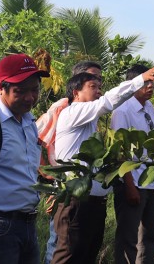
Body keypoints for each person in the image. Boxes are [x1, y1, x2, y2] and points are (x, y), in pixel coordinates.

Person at [51, 61, 154, 264]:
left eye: (99, 86)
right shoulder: (72, 112)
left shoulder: (90, 122)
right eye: (93, 87)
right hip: (77, 202)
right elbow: (108, 102)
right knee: (68, 256)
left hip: (93, 202)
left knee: (87, 255)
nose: (98, 91)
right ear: (76, 92)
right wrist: (141, 79)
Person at [0, 53, 49, 264]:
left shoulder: (28, 120)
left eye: (34, 90)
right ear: (1, 88)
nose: (30, 97)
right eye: (20, 91)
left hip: (27, 223)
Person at [36, 61, 102, 264]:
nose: (98, 85)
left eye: (99, 80)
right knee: (59, 245)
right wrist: (53, 177)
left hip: (84, 191)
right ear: (77, 85)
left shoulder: (89, 111)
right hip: (66, 189)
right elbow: (40, 138)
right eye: (92, 80)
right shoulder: (64, 107)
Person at [111, 64, 154, 264]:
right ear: (134, 83)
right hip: (134, 183)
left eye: (152, 82)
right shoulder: (123, 110)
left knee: (149, 237)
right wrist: (130, 186)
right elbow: (120, 151)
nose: (150, 86)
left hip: (152, 181)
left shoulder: (149, 107)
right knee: (127, 238)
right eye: (146, 82)